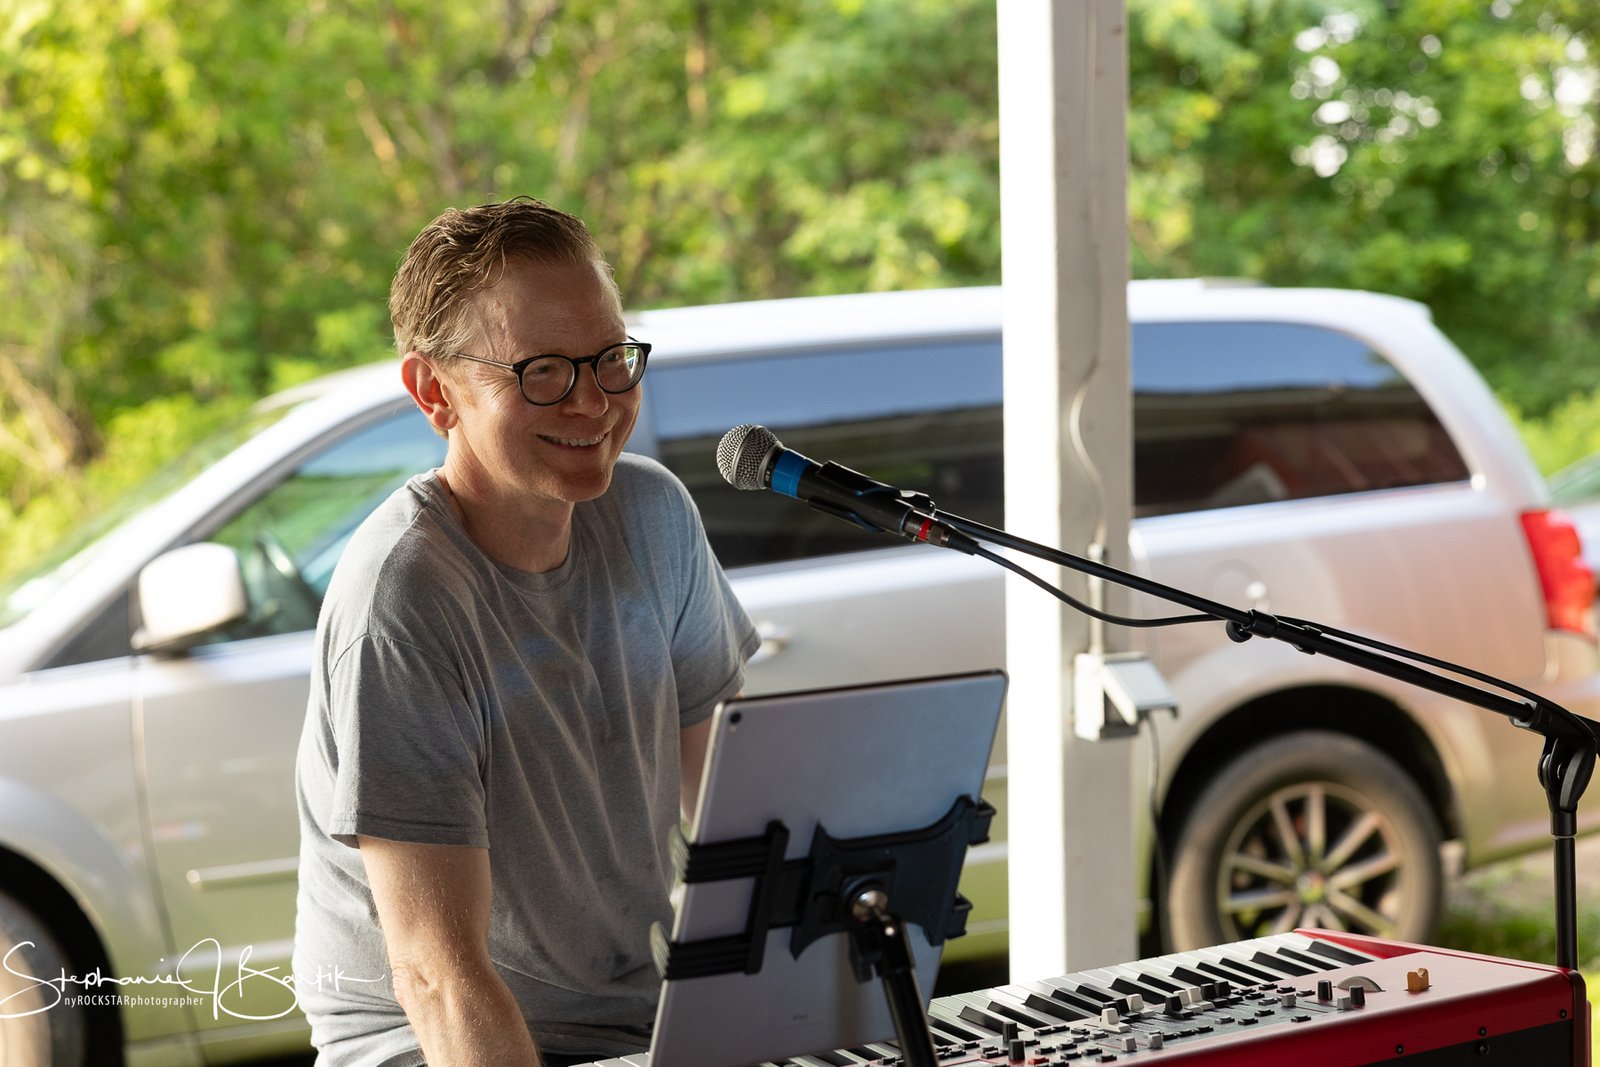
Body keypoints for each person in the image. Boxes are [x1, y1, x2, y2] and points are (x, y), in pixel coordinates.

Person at [292, 196, 760, 1066]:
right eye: (542, 370)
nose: (594, 402)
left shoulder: (654, 513)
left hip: (632, 1027)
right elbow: (436, 976)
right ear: (435, 392)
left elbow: (739, 818)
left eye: (611, 358)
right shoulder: (404, 594)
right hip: (420, 1044)